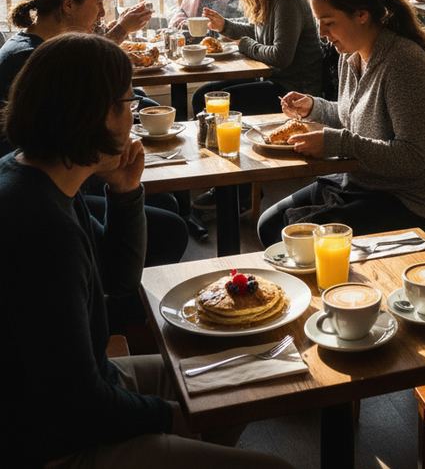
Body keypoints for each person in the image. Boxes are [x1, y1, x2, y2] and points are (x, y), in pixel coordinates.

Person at [0, 33, 291, 468]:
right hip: (52, 442)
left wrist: (125, 192)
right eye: (125, 105)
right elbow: (79, 404)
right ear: (89, 114)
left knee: (250, 377)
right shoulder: (42, 230)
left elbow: (117, 280)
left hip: (87, 389)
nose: (132, 118)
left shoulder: (40, 173)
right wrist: (180, 418)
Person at [0, 0, 187, 268]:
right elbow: (69, 133)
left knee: (162, 201)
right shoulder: (32, 58)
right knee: (169, 227)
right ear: (68, 3)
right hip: (60, 177)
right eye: (98, 1)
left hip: (47, 174)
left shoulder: (44, 50)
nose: (103, 11)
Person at [257, 0, 425, 246]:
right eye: (318, 21)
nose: (322, 32)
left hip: (404, 199)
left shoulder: (403, 64)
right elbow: (356, 117)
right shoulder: (352, 55)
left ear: (361, 15)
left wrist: (335, 143)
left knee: (290, 239)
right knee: (269, 225)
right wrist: (314, 107)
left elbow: (411, 157)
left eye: (329, 22)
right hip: (362, 183)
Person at [191, 0, 322, 118]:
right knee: (202, 95)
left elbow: (280, 57)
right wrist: (224, 26)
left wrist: (244, 44)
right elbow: (260, 32)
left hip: (294, 92)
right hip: (275, 82)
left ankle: (214, 144)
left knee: (204, 100)